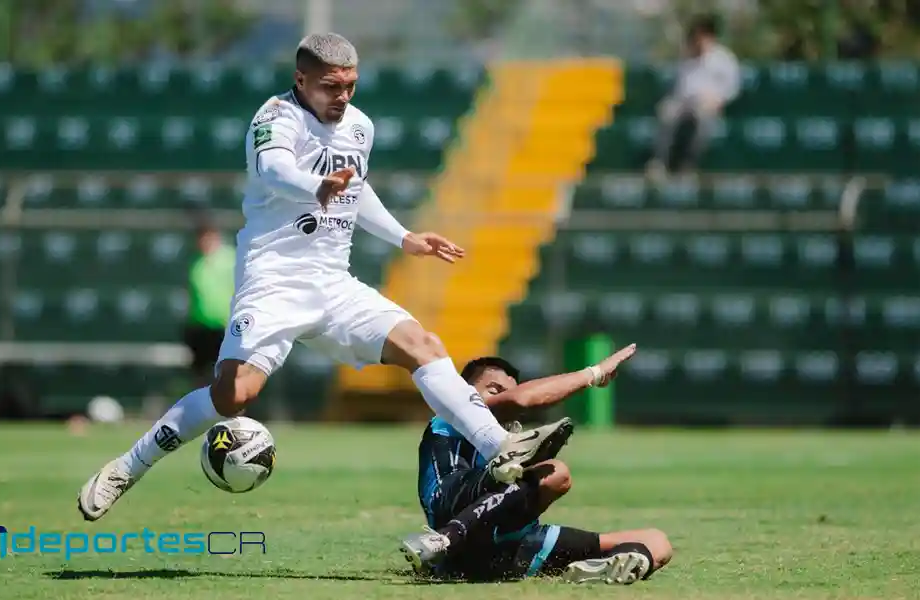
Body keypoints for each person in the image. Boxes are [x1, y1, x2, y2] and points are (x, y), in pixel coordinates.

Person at [77, 33, 573, 521]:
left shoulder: (359, 126)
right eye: (332, 86)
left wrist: (404, 237)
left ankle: (498, 446)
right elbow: (274, 172)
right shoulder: (274, 119)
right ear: (301, 78)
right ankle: (127, 467)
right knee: (233, 397)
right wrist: (318, 185)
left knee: (422, 345)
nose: (343, 96)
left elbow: (357, 189)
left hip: (334, 282)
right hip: (274, 281)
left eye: (351, 85)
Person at [399, 347, 674, 584]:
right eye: (493, 390)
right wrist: (594, 373)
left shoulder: (504, 436)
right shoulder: (450, 417)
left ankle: (602, 569)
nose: (502, 399)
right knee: (555, 472)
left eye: (506, 392)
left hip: (511, 548)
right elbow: (521, 399)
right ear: (463, 391)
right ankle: (446, 539)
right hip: (451, 511)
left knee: (657, 541)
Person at [647, 15, 740, 177]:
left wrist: (718, 100)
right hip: (684, 102)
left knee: (703, 118)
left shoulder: (724, 59)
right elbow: (680, 86)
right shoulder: (686, 58)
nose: (698, 41)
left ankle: (688, 165)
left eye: (701, 36)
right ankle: (659, 162)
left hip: (709, 104)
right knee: (666, 112)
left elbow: (733, 87)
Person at [182, 220, 236, 388]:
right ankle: (203, 410)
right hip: (199, 326)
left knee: (229, 372)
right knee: (200, 373)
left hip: (225, 325)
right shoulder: (196, 263)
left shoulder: (232, 259)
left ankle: (233, 412)